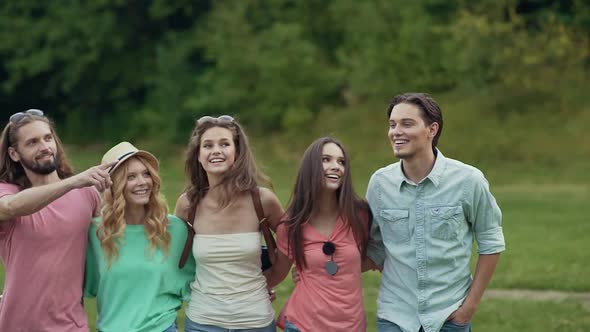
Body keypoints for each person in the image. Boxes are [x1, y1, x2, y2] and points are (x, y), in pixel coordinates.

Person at [366, 93, 506, 332]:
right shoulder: (380, 184)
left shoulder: (468, 180)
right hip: (395, 317)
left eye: (406, 124)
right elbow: (374, 247)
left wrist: (468, 309)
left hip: (449, 317)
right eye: (392, 124)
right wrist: (317, 269)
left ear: (432, 129)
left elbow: (491, 243)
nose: (396, 131)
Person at [0, 109, 113, 331]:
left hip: (71, 325)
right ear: (14, 154)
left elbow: (114, 241)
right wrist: (72, 182)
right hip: (17, 325)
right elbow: (10, 207)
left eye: (47, 138)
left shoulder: (87, 194)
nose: (44, 147)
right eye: (32, 142)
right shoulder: (8, 192)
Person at [175, 115, 284, 332]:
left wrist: (271, 278)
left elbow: (293, 244)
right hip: (202, 322)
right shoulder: (188, 204)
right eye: (208, 145)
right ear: (198, 155)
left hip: (255, 321)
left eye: (225, 144)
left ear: (237, 152)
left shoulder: (262, 200)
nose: (216, 150)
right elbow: (174, 260)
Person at [84, 141, 196, 332]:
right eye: (131, 177)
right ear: (115, 184)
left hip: (162, 327)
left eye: (146, 174)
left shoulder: (174, 229)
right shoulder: (95, 233)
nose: (143, 182)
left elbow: (201, 278)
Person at [264, 137, 372, 332]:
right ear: (310, 168)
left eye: (341, 162)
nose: (335, 166)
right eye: (326, 159)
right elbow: (277, 273)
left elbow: (371, 258)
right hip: (303, 324)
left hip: (352, 326)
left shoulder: (360, 215)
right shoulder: (291, 225)